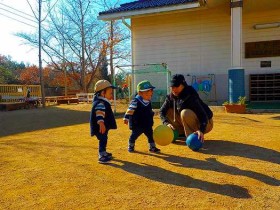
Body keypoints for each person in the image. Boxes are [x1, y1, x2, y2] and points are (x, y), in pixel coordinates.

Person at [159, 74, 213, 142]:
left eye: (176, 86)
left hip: (206, 122)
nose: (174, 89)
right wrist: (166, 123)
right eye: (172, 86)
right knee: (168, 111)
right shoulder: (171, 97)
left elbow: (203, 115)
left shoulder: (191, 95)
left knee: (185, 113)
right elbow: (161, 111)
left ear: (183, 85)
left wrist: (201, 130)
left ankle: (191, 138)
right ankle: (180, 132)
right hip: (188, 121)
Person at [123, 80, 160, 153]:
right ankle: (131, 146)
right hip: (138, 124)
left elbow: (148, 111)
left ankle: (152, 147)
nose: (150, 94)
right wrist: (126, 118)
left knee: (150, 135)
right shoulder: (136, 101)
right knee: (134, 136)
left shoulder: (148, 101)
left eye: (150, 92)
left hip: (147, 124)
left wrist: (152, 113)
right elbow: (130, 110)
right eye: (147, 93)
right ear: (140, 93)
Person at [90, 80, 117, 163]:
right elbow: (99, 113)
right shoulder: (100, 103)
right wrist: (101, 123)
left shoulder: (103, 101)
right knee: (103, 139)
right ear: (103, 93)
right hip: (100, 127)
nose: (111, 95)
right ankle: (101, 155)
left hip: (103, 126)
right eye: (110, 93)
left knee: (104, 138)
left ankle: (104, 152)